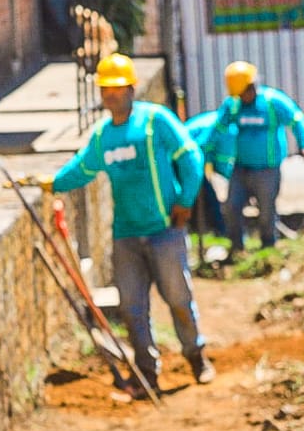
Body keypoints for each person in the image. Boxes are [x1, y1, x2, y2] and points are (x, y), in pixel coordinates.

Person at [47, 53, 213, 395]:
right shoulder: (103, 136)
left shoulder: (155, 122)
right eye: (106, 89)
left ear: (132, 89)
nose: (111, 95)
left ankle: (196, 356)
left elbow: (192, 156)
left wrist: (185, 201)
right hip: (126, 234)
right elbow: (81, 169)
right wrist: (51, 183)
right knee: (133, 307)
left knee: (178, 297)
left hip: (163, 229)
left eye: (117, 89)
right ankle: (147, 373)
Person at [204, 60, 304, 254]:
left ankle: (268, 248)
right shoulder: (233, 105)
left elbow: (297, 120)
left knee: (266, 212)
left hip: (267, 169)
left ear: (252, 85)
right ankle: (237, 248)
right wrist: (202, 149)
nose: (243, 97)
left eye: (245, 92)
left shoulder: (272, 102)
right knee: (231, 207)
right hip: (240, 169)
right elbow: (217, 130)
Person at [184, 110, 231, 239]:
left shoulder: (219, 122)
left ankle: (210, 229)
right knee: (208, 197)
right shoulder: (227, 129)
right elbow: (222, 162)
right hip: (185, 160)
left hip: (190, 160)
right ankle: (219, 230)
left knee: (205, 194)